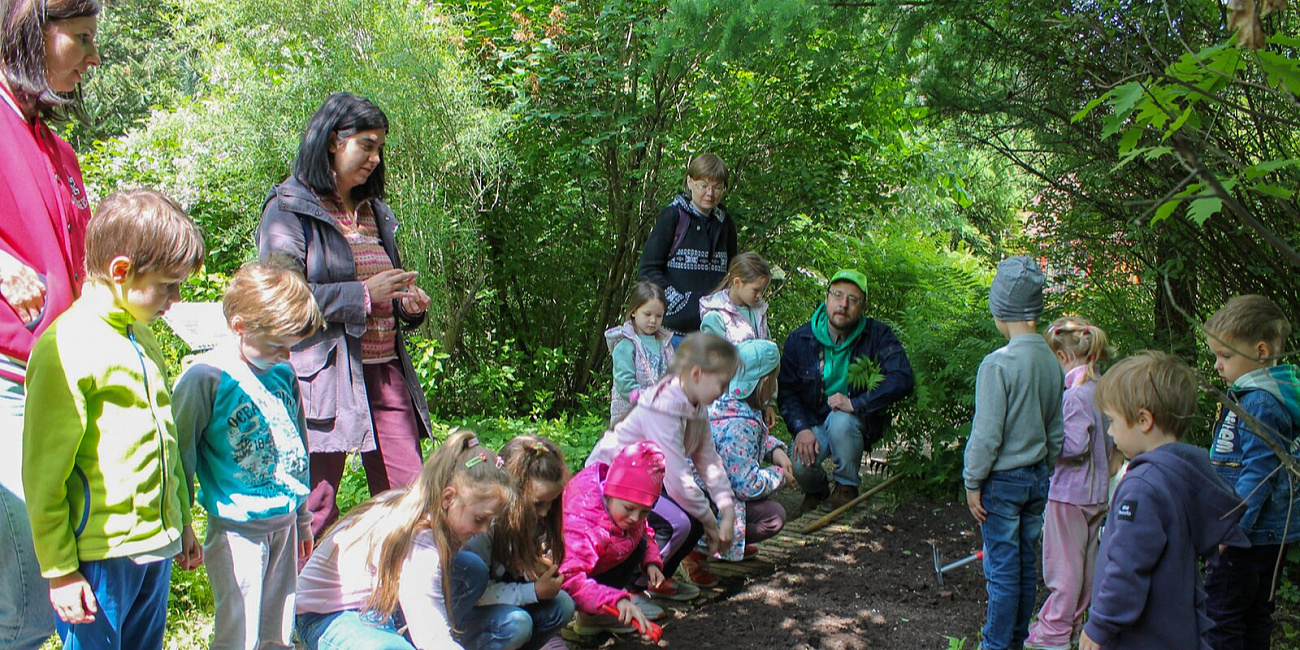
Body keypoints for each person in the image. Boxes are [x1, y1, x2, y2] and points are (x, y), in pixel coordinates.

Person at [22, 190, 207, 650]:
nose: (175, 298)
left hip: (155, 547)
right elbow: (43, 477)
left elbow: (166, 438)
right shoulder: (65, 347)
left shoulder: (141, 335)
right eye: (168, 284)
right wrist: (61, 570)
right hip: (100, 558)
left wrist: (181, 522)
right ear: (122, 271)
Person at [257, 92, 433, 538]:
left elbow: (381, 293)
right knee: (313, 507)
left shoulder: (375, 212)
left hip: (386, 375)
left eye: (380, 148)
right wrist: (363, 295)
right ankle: (305, 606)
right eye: (367, 145)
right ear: (334, 141)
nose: (375, 158)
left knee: (410, 500)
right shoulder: (288, 208)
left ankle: (401, 602)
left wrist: (405, 303)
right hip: (321, 380)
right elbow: (280, 301)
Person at [0, 0, 101, 645]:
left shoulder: (58, 148)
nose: (94, 58)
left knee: (48, 575)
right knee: (17, 581)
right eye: (83, 39)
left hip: (59, 379)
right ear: (31, 30)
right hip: (6, 377)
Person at [173, 261, 324, 650]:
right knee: (240, 631)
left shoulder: (281, 373)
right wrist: (182, 522)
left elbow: (298, 447)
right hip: (238, 531)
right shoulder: (205, 378)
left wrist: (304, 517)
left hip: (285, 524)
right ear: (240, 326)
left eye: (292, 346)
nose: (287, 355)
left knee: (277, 629)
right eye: (278, 344)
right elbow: (180, 457)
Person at [1080, 352, 1248, 650]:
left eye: (1113, 421)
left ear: (1143, 420)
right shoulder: (1186, 469)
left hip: (1144, 636)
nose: (1109, 431)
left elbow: (1126, 566)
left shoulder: (1142, 487)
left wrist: (1099, 625)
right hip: (1180, 628)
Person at [294, 429, 512, 650]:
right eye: (479, 519)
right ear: (448, 498)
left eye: (491, 521)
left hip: (379, 605)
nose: (483, 530)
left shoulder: (423, 506)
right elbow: (432, 637)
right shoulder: (421, 540)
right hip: (327, 615)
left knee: (471, 571)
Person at [586, 332, 739, 600]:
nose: (725, 391)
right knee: (680, 521)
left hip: (644, 485)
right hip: (609, 485)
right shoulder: (664, 407)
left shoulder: (696, 406)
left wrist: (726, 510)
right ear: (696, 374)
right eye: (722, 383)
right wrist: (713, 526)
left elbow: (709, 462)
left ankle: (656, 580)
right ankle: (629, 590)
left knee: (700, 510)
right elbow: (678, 481)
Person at [962, 255, 1063, 650]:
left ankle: (996, 645)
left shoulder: (997, 364)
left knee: (1001, 572)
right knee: (1024, 567)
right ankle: (1018, 641)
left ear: (1000, 310)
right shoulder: (1051, 361)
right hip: (1037, 478)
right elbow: (1057, 430)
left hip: (1002, 483)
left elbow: (986, 435)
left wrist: (973, 480)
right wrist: (1046, 467)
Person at [1202, 295, 1300, 650]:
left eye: (1225, 356)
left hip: (1247, 537)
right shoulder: (1264, 393)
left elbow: (1259, 474)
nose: (1217, 365)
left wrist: (1230, 528)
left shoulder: (1259, 401)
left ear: (1260, 351)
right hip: (1262, 536)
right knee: (1256, 615)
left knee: (1222, 618)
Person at [778, 269, 914, 512]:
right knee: (799, 463)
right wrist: (801, 429)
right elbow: (787, 391)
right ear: (827, 297)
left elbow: (902, 377)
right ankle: (817, 491)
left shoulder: (878, 336)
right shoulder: (800, 339)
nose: (843, 305)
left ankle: (846, 488)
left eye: (853, 299)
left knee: (841, 420)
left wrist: (857, 403)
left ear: (863, 306)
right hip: (813, 422)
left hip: (854, 422)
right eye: (838, 295)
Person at [1025, 318, 1116, 650]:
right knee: (1085, 565)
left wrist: (1045, 440)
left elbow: (1074, 446)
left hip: (1068, 496)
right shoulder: (1102, 392)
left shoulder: (1074, 396)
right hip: (1095, 496)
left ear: (1062, 356)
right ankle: (1074, 622)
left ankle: (1054, 631)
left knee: (1062, 566)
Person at [463, 436, 575, 650]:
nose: (545, 512)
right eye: (538, 504)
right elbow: (475, 595)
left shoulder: (534, 518)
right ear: (512, 495)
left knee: (562, 605)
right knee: (517, 624)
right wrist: (533, 591)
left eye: (552, 502)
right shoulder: (483, 526)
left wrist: (530, 568)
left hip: (500, 604)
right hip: (468, 613)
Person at [561, 441, 668, 639]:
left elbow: (644, 529)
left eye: (644, 511)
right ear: (610, 493)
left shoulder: (626, 510)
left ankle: (597, 614)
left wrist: (651, 561)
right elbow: (569, 577)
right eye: (629, 509)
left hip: (603, 559)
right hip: (573, 571)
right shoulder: (584, 521)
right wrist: (614, 600)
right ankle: (593, 612)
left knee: (640, 544)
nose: (636, 517)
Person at [703, 339, 792, 566]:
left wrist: (774, 450)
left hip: (709, 496)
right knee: (775, 516)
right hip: (712, 502)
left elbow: (744, 445)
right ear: (765, 383)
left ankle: (730, 540)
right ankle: (707, 546)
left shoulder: (725, 403)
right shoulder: (740, 423)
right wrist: (779, 475)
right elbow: (746, 485)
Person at [637, 154, 738, 339]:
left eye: (717, 187)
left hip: (715, 333)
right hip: (673, 333)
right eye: (704, 186)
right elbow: (647, 269)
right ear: (690, 182)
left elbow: (733, 273)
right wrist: (678, 302)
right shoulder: (672, 217)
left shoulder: (726, 224)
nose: (710, 193)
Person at [606, 281, 674, 424]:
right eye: (647, 314)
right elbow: (624, 385)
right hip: (629, 421)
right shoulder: (625, 345)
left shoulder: (665, 344)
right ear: (634, 312)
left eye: (659, 316)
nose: (653, 320)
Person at [699, 252, 771, 344]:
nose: (759, 295)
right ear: (737, 282)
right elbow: (713, 354)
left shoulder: (758, 311)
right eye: (755, 290)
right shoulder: (716, 316)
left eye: (763, 290)